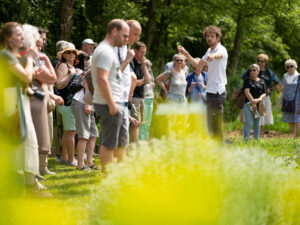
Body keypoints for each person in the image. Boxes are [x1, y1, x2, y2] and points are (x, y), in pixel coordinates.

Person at [0, 22, 47, 193]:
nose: (22, 38)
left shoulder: (10, 55)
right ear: (7, 38)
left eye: (22, 34)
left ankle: (27, 182)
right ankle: (26, 184)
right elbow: (26, 76)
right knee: (23, 139)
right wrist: (29, 59)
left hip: (18, 99)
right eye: (18, 34)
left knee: (27, 140)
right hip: (12, 101)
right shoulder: (6, 55)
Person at [91, 19, 129, 173]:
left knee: (119, 142)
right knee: (108, 143)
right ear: (114, 31)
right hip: (109, 103)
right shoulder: (105, 51)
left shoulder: (109, 50)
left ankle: (118, 176)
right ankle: (108, 178)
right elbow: (101, 78)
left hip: (115, 102)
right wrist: (112, 104)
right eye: (124, 36)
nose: (126, 40)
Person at [179, 25, 228, 141]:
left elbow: (220, 55)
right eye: (207, 36)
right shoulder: (209, 50)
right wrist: (185, 53)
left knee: (216, 124)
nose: (209, 38)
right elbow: (197, 65)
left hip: (218, 91)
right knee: (210, 124)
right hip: (209, 91)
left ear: (218, 38)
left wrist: (213, 56)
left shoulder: (221, 49)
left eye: (212, 36)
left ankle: (219, 148)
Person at [71, 51, 99, 170]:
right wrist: (88, 105)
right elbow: (86, 85)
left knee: (93, 134)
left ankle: (89, 162)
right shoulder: (91, 71)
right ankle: (80, 164)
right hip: (82, 103)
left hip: (88, 105)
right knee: (83, 135)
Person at [242, 54, 279, 135]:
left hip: (263, 96)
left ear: (265, 62)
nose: (259, 62)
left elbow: (276, 82)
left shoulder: (269, 72)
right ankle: (248, 133)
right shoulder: (252, 69)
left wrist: (270, 89)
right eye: (258, 60)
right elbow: (243, 77)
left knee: (261, 116)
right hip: (250, 97)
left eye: (262, 61)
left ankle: (260, 133)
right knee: (249, 117)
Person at [55, 42, 79, 166]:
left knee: (68, 132)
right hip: (66, 103)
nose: (71, 54)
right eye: (68, 52)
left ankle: (65, 158)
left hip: (71, 104)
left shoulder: (71, 67)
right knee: (71, 132)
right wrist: (71, 75)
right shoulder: (63, 66)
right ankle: (71, 159)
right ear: (63, 55)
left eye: (73, 52)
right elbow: (58, 85)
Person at [129, 42, 151, 142]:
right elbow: (132, 83)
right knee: (135, 123)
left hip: (142, 97)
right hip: (133, 97)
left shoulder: (141, 64)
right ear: (135, 51)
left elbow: (148, 80)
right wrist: (142, 81)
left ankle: (134, 146)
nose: (143, 55)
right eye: (141, 52)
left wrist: (144, 65)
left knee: (139, 123)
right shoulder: (131, 63)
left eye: (144, 52)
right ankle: (133, 147)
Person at [242, 64, 266, 141]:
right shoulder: (247, 80)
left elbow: (264, 93)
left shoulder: (262, 81)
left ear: (258, 71)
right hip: (248, 104)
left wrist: (258, 100)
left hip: (259, 104)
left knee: (257, 124)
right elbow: (246, 91)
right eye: (250, 70)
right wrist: (253, 102)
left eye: (254, 70)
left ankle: (256, 140)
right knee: (248, 123)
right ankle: (246, 140)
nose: (252, 71)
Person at [279, 59, 300, 138]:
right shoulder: (285, 76)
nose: (289, 68)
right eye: (287, 67)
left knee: (298, 121)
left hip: (297, 101)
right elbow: (280, 87)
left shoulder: (299, 77)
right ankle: (293, 138)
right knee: (290, 120)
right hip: (287, 101)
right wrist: (281, 89)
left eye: (291, 66)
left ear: (295, 67)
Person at [139, 59, 155, 140]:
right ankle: (141, 141)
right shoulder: (140, 72)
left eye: (150, 67)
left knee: (148, 123)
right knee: (143, 122)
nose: (149, 68)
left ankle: (145, 140)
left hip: (150, 98)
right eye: (147, 66)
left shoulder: (150, 73)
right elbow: (145, 83)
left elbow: (153, 84)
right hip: (144, 98)